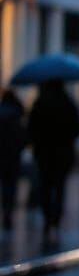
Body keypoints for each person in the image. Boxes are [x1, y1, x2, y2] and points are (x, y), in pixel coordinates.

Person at [26, 80, 79, 241]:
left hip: (44, 154)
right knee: (59, 188)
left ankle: (47, 219)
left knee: (46, 185)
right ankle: (55, 221)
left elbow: (31, 128)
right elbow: (78, 127)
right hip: (62, 154)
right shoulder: (68, 104)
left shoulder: (40, 104)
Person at [0, 89, 26, 230]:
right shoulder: (17, 115)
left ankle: (6, 209)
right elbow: (23, 136)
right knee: (11, 183)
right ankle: (8, 210)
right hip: (14, 155)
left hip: (2, 155)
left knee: (5, 183)